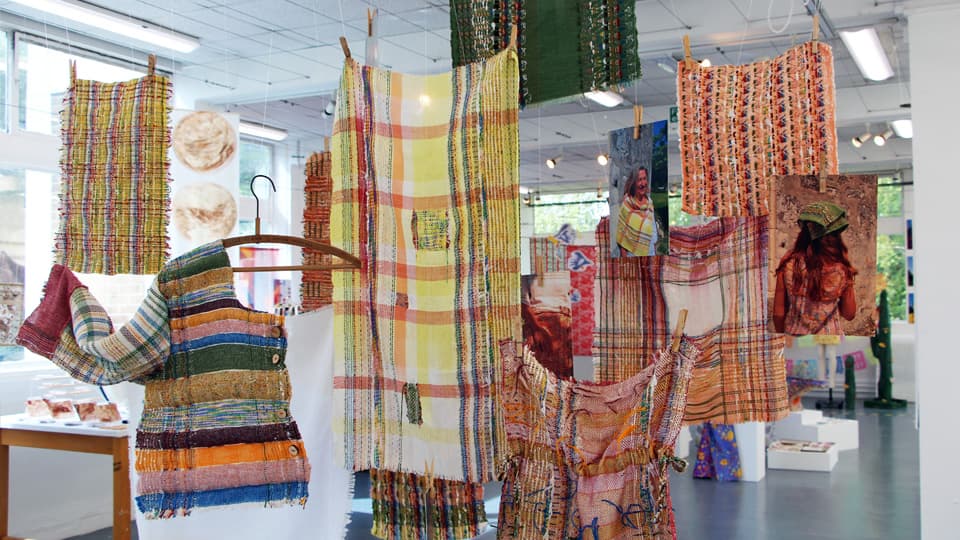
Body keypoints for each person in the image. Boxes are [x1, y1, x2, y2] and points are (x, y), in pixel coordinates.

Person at [773, 201, 857, 335]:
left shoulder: (788, 264)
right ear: (835, 237)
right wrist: (848, 275)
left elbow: (778, 314)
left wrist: (781, 337)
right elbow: (849, 314)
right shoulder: (841, 269)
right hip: (830, 339)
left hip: (795, 338)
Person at [615, 167, 662, 256]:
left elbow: (653, 231)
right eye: (639, 180)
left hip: (651, 252)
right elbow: (622, 238)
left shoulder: (649, 202)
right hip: (632, 255)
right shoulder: (627, 205)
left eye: (644, 179)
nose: (643, 183)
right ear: (633, 183)